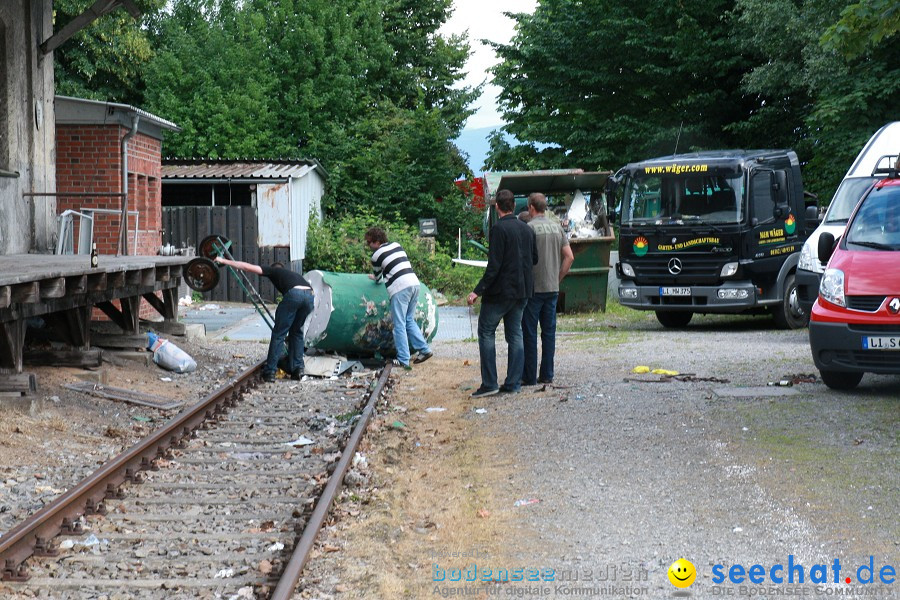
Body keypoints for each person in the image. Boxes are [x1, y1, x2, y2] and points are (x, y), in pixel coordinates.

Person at [467, 189, 537, 397]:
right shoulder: (527, 229)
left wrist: (477, 291)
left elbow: (494, 266)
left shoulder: (498, 230)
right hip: (523, 290)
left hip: (501, 292)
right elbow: (534, 259)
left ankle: (490, 383)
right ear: (514, 206)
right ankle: (513, 382)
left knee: (486, 332)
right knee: (515, 334)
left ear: (497, 207)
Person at [213, 256, 314, 382]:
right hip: (310, 296)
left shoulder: (274, 271)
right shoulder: (293, 275)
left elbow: (247, 267)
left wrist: (224, 261)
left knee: (279, 334)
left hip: (295, 294)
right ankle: (298, 370)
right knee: (297, 332)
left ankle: (270, 372)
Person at [522, 192, 575, 385]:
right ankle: (547, 374)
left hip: (534, 289)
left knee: (529, 333)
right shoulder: (557, 228)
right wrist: (557, 278)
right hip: (552, 288)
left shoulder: (528, 229)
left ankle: (528, 376)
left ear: (531, 208)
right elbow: (569, 257)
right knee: (549, 333)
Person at [365, 227, 433, 370]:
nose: (368, 246)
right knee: (409, 320)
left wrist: (375, 277)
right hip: (415, 284)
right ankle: (424, 349)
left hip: (400, 288)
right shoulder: (397, 245)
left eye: (369, 242)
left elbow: (378, 278)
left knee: (399, 325)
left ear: (376, 242)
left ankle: (403, 359)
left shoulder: (376, 255)